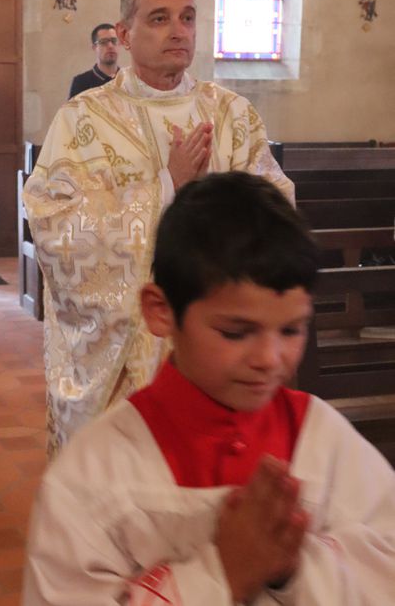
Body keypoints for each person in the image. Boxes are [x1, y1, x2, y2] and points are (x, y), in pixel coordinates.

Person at [22, 172, 395, 605]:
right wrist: (224, 575)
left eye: (291, 329)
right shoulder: (92, 474)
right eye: (236, 332)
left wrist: (291, 567)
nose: (270, 359)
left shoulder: (323, 438)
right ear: (161, 311)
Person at [23, 0, 294, 456]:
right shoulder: (84, 119)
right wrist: (167, 185)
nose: (179, 30)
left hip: (219, 343)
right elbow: (53, 226)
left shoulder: (231, 114)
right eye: (160, 18)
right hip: (127, 358)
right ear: (125, 35)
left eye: (188, 18)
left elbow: (278, 214)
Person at [68, 23, 120, 98]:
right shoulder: (81, 82)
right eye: (103, 42)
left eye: (114, 41)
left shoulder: (128, 80)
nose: (110, 46)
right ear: (94, 47)